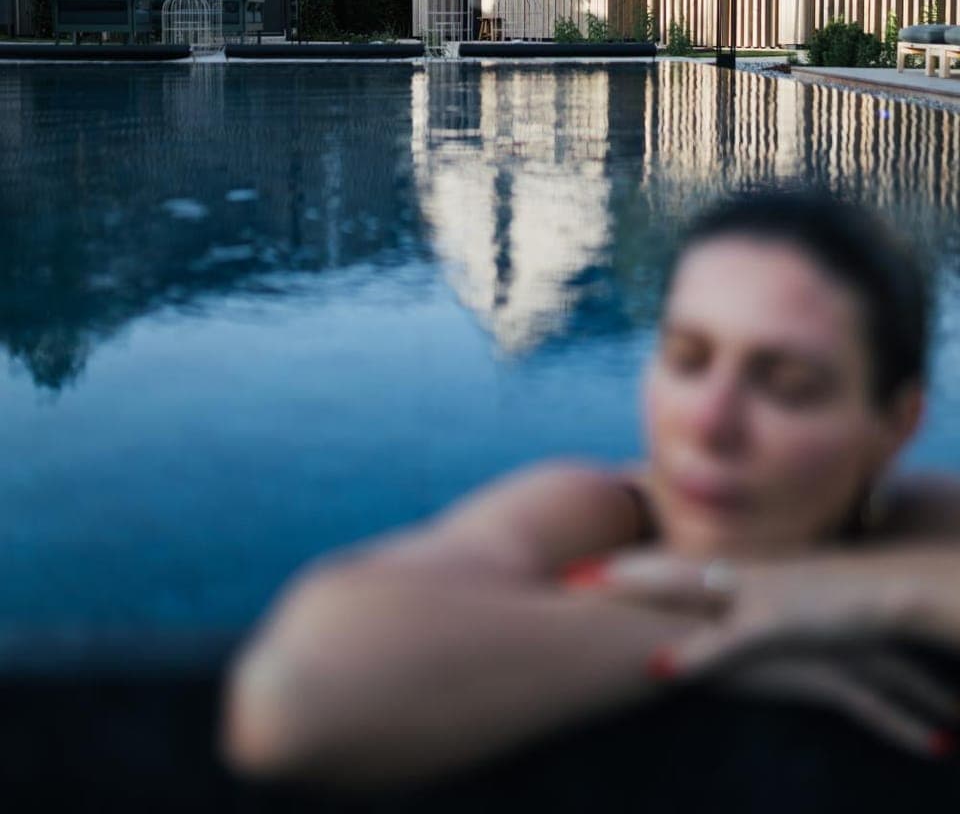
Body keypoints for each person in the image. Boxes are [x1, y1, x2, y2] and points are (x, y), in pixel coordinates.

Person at [221, 189, 960, 801]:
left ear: (895, 426)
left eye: (789, 387)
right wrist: (725, 625)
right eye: (687, 360)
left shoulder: (922, 527)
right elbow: (290, 699)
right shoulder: (591, 518)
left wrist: (854, 590)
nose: (709, 423)